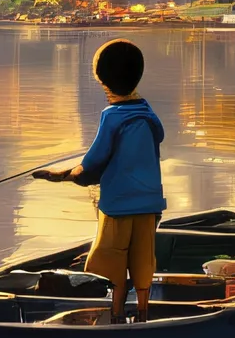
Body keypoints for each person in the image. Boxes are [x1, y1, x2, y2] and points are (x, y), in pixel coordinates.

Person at [34, 40, 167, 323]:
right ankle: (143, 314)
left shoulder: (112, 117)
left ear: (102, 80)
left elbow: (92, 166)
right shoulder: (148, 114)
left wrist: (63, 176)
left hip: (118, 205)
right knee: (143, 258)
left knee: (110, 259)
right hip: (150, 204)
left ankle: (115, 314)